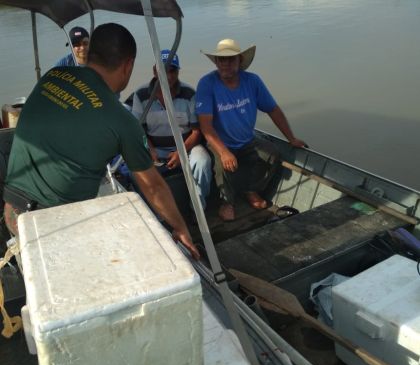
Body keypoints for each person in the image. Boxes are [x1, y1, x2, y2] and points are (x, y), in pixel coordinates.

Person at [3, 23, 199, 259]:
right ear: (128, 65)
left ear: (90, 53)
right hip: (54, 225)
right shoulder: (122, 120)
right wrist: (181, 228)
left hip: (11, 211)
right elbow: (153, 186)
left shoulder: (53, 77)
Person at [195, 38, 306, 221]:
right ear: (216, 62)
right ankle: (227, 202)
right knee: (224, 164)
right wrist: (223, 152)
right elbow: (205, 126)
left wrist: (291, 138)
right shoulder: (207, 84)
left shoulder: (252, 81)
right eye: (221, 60)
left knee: (271, 153)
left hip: (247, 139)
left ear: (240, 61)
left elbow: (273, 109)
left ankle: (251, 190)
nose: (226, 64)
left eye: (231, 59)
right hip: (220, 141)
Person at [129, 49, 212, 209]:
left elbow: (197, 131)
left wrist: (180, 152)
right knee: (136, 172)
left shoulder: (189, 94)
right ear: (155, 71)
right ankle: (158, 214)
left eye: (172, 70)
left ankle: (198, 208)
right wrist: (150, 149)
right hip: (156, 149)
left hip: (186, 147)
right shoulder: (141, 95)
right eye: (163, 70)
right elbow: (137, 130)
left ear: (178, 72)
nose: (168, 75)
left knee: (203, 161)